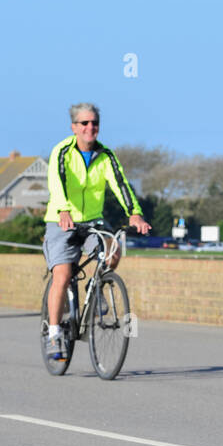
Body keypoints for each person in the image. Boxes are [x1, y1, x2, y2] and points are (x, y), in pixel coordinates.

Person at [43, 103, 151, 358]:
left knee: (113, 249)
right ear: (74, 127)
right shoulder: (62, 151)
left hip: (92, 221)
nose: (90, 127)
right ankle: (54, 333)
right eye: (84, 123)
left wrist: (134, 213)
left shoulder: (106, 155)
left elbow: (121, 184)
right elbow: (55, 182)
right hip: (61, 220)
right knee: (63, 273)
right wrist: (63, 210)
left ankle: (99, 287)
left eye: (94, 123)